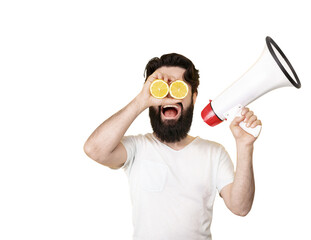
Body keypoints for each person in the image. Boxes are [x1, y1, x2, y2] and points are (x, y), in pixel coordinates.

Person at [83, 53, 262, 240]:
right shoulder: (137, 148)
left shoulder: (214, 153)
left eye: (178, 87)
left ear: (193, 97)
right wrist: (141, 100)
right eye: (160, 88)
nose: (168, 95)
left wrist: (244, 145)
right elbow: (94, 150)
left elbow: (240, 207)